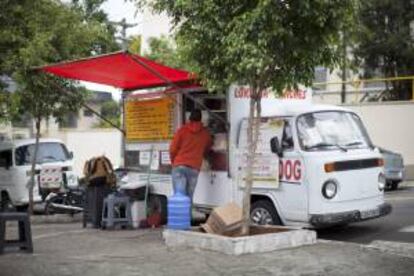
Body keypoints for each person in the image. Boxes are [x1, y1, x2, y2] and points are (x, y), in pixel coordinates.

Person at [169, 109, 212, 202]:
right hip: (194, 168)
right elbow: (207, 148)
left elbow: (172, 149)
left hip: (179, 166)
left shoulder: (182, 130)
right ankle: (187, 216)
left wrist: (174, 162)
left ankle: (179, 216)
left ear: (189, 118)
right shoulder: (205, 133)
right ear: (200, 119)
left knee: (179, 197)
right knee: (189, 198)